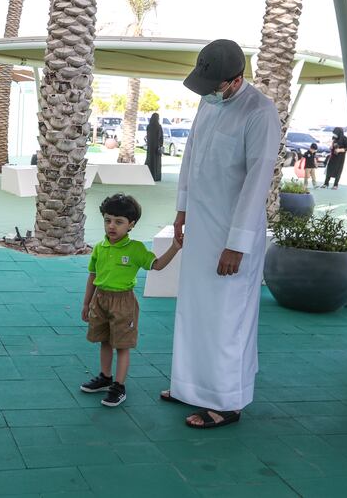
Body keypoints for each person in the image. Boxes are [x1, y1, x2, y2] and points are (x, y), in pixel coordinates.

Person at [161, 39, 281, 429]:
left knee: (228, 316)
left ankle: (227, 401)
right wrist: (181, 210)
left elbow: (256, 182)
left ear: (236, 80)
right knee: (194, 309)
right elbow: (191, 155)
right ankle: (189, 386)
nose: (208, 92)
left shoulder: (260, 111)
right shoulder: (208, 101)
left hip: (232, 234)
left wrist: (237, 245)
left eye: (215, 85)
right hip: (200, 225)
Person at [81, 194, 181, 407]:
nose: (112, 226)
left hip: (123, 302)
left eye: (119, 222)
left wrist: (174, 247)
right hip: (100, 299)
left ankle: (119, 386)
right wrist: (86, 302)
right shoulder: (100, 247)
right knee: (104, 340)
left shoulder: (135, 249)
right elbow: (92, 275)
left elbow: (157, 265)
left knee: (122, 345)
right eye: (108, 220)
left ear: (131, 225)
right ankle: (105, 377)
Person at [145, 113, 163, 181]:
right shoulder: (158, 126)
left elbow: (148, 136)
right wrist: (160, 145)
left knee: (150, 161)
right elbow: (160, 137)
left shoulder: (149, 126)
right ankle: (156, 176)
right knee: (156, 162)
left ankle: (148, 176)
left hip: (150, 147)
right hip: (156, 147)